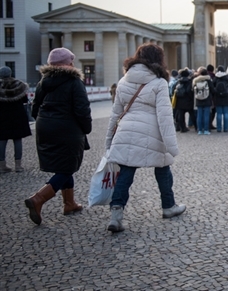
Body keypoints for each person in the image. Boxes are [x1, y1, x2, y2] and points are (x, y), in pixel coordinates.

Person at [105, 43, 185, 233]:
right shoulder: (158, 82)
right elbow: (164, 117)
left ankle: (116, 215)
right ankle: (168, 206)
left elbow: (115, 113)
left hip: (126, 131)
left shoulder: (124, 81)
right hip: (152, 132)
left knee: (125, 173)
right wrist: (172, 146)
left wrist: (109, 139)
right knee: (163, 169)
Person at [25, 48, 92, 225]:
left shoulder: (43, 82)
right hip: (67, 128)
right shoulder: (74, 82)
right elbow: (82, 109)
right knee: (67, 166)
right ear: (69, 63)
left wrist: (44, 121)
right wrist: (86, 127)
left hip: (45, 126)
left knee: (63, 164)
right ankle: (39, 198)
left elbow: (35, 106)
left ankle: (69, 203)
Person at [0, 66, 32, 173]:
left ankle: (2, 165)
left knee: (2, 139)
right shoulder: (19, 85)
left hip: (2, 115)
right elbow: (24, 100)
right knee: (17, 139)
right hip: (17, 115)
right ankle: (18, 165)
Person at [213, 65, 228, 133]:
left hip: (218, 98)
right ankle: (225, 128)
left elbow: (212, 88)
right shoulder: (227, 78)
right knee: (226, 113)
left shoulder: (215, 78)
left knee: (219, 114)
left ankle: (219, 128)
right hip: (226, 97)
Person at [173, 68, 196, 133]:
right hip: (188, 100)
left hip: (179, 101)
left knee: (181, 115)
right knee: (192, 115)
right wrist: (191, 98)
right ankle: (197, 127)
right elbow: (190, 91)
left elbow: (174, 91)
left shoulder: (178, 82)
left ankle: (182, 128)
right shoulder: (189, 82)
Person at [193, 67, 214, 135]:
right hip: (207, 99)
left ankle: (199, 130)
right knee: (206, 115)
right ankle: (206, 130)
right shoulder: (208, 80)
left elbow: (192, 89)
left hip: (198, 99)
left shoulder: (196, 80)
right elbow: (213, 90)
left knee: (199, 115)